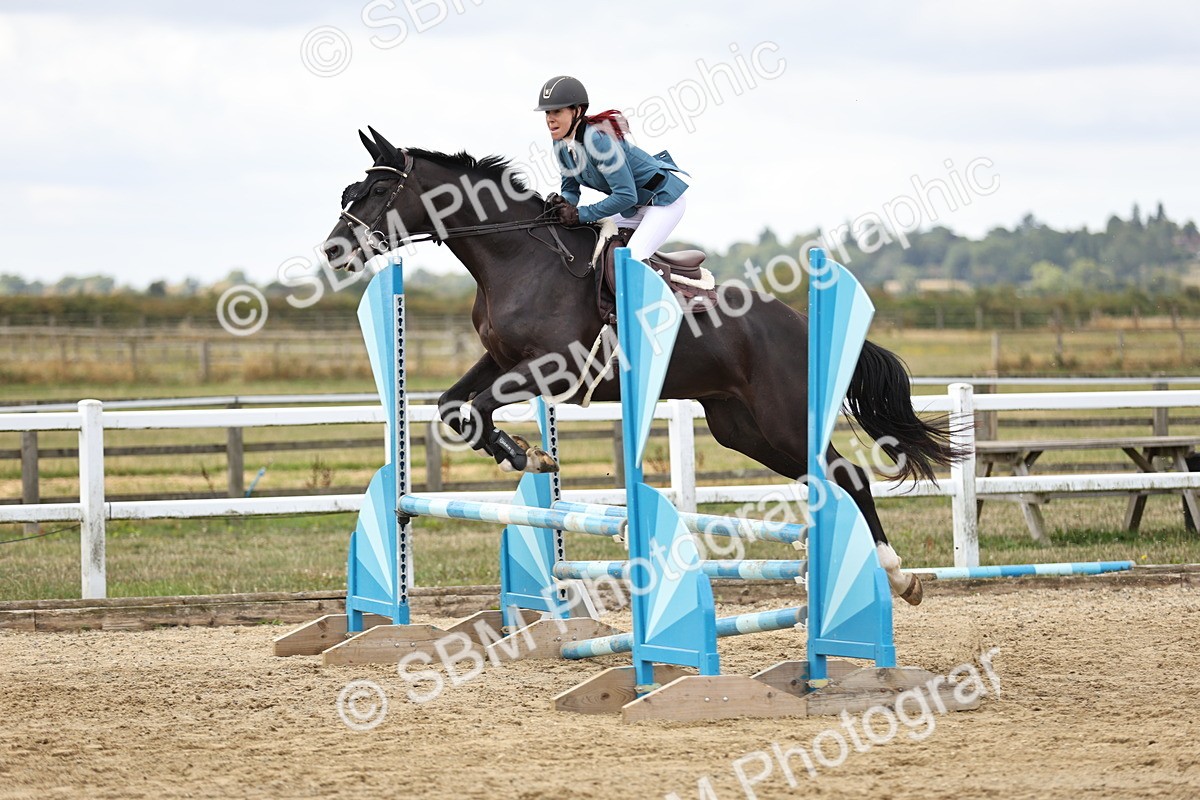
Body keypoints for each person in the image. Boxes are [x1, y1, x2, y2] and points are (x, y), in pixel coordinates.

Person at [536, 75, 690, 262]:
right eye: (547, 113)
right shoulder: (560, 143)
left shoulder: (598, 141)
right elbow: (570, 190)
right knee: (590, 239)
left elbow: (626, 195)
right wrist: (563, 205)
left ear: (577, 111)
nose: (550, 120)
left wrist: (579, 214)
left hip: (663, 201)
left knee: (632, 258)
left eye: (556, 112)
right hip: (634, 208)